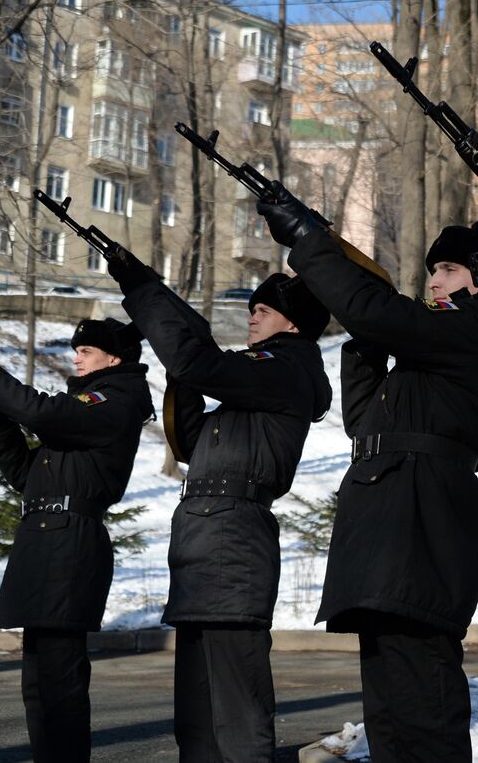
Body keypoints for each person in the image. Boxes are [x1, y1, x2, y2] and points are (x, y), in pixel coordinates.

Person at [258, 202, 478, 763]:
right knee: (388, 697)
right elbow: (365, 423)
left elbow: (383, 314)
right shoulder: (443, 345)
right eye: (432, 270)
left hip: (424, 510)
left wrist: (313, 245)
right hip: (394, 506)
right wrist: (366, 340)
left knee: (421, 689)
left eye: (450, 270)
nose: (434, 280)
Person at [109, 256, 332, 762]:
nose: (252, 317)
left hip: (232, 540)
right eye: (252, 309)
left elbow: (200, 364)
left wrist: (145, 293)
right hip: (205, 540)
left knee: (236, 706)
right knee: (198, 713)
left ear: (293, 324)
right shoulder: (250, 388)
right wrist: (183, 359)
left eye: (264, 310)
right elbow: (190, 438)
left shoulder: (285, 367)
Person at [0, 318, 152, 762]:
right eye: (77, 350)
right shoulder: (84, 414)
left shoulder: (114, 400)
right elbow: (25, 474)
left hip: (70, 542)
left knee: (60, 678)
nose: (76, 357)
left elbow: (42, 412)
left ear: (114, 358)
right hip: (44, 539)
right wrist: (0, 419)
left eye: (86, 351)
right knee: (37, 681)